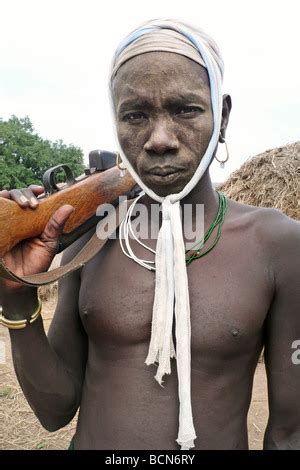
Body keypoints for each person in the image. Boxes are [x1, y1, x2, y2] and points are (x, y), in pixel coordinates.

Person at [0, 18, 300, 450]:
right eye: (136, 115)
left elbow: (290, 433)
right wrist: (17, 294)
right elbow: (54, 411)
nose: (160, 139)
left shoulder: (279, 245)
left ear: (223, 116)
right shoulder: (92, 236)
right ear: (116, 123)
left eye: (186, 109)